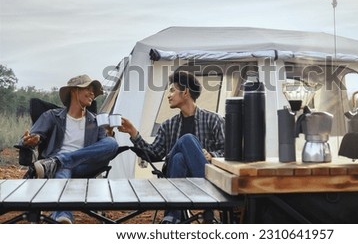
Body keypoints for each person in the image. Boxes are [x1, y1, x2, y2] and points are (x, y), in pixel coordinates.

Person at [119, 70, 225, 224]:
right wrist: (133, 132)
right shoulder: (168, 125)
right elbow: (153, 154)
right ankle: (210, 206)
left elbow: (227, 151)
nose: (168, 95)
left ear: (186, 92)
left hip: (200, 176)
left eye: (172, 90)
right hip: (176, 177)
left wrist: (212, 155)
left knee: (179, 158)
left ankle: (172, 217)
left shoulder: (213, 119)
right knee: (186, 141)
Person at [20, 74, 119, 224]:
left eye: (94, 90)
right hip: (61, 170)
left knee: (112, 143)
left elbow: (107, 148)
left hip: (85, 166)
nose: (93, 93)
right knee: (63, 169)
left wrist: (109, 133)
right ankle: (63, 218)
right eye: (88, 88)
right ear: (74, 91)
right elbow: (33, 136)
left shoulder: (96, 121)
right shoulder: (52, 116)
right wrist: (32, 140)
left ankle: (58, 162)